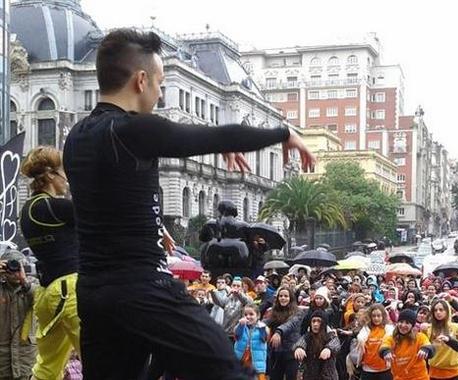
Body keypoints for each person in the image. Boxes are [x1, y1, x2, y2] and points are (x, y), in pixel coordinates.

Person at [64, 28, 314, 380]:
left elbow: (110, 202)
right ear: (140, 80)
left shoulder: (76, 138)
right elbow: (220, 133)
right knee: (227, 370)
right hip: (143, 286)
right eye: (159, 82)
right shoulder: (131, 130)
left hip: (93, 293)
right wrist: (283, 133)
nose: (160, 92)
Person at [18, 146, 81, 380]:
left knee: (47, 368)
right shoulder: (54, 207)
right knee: (101, 361)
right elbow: (101, 213)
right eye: (64, 172)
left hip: (48, 294)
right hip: (70, 290)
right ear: (52, 175)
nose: (66, 179)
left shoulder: (28, 210)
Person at [0, 251, 36, 380]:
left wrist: (24, 281)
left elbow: (41, 300)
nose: (14, 270)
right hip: (2, 362)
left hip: (26, 359)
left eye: (17, 266)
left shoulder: (33, 286)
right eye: (9, 266)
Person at [379, 309, 434, 380]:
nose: (403, 325)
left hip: (419, 377)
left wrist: (425, 349)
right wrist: (386, 352)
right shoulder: (392, 338)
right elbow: (385, 345)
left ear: (412, 326)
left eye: (407, 323)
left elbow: (428, 345)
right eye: (401, 322)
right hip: (400, 377)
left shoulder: (419, 337)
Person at [425, 299, 458, 380]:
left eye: (441, 310)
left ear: (447, 311)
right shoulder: (429, 329)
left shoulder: (456, 327)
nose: (438, 312)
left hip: (455, 372)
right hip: (435, 372)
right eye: (435, 310)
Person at [264, 286, 301, 380]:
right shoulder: (274, 311)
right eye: (280, 296)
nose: (283, 298)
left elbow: (290, 324)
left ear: (290, 298)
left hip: (291, 353)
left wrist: (278, 332)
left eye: (286, 296)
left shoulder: (297, 312)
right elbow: (266, 321)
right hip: (277, 353)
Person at [293, 310, 341, 380]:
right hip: (310, 375)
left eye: (319, 321)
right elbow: (301, 342)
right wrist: (299, 347)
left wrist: (328, 349)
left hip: (328, 376)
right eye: (313, 321)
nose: (315, 324)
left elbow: (336, 344)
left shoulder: (330, 336)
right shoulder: (308, 336)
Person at [355, 304, 395, 380]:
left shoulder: (389, 329)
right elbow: (360, 338)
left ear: (383, 316)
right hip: (368, 369)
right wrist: (360, 339)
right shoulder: (366, 329)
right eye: (374, 316)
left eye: (379, 316)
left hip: (385, 369)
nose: (376, 318)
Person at [233, 304, 268, 379]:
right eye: (245, 314)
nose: (248, 317)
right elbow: (236, 335)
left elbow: (264, 338)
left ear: (258, 316)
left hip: (257, 363)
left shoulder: (262, 327)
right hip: (242, 360)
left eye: (251, 314)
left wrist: (262, 329)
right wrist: (240, 325)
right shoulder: (241, 326)